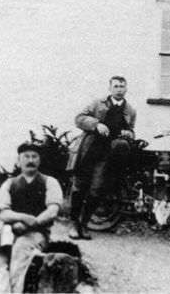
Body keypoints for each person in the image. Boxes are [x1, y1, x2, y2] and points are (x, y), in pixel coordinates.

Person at [66, 75, 136, 240]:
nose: (119, 89)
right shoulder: (97, 103)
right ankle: (74, 224)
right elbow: (79, 119)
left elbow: (132, 131)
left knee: (97, 190)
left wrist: (128, 134)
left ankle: (84, 224)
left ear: (126, 89)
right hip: (89, 150)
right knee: (79, 187)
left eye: (122, 86)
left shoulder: (130, 110)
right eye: (116, 86)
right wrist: (96, 124)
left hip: (107, 155)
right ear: (110, 88)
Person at [0, 142, 63, 293]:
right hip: (11, 231)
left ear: (40, 160)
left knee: (21, 248)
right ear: (18, 161)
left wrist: (30, 225)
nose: (30, 160)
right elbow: (2, 212)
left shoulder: (49, 182)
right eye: (26, 156)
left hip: (37, 233)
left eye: (34, 156)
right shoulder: (9, 183)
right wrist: (23, 218)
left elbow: (52, 211)